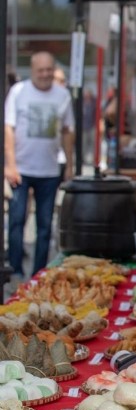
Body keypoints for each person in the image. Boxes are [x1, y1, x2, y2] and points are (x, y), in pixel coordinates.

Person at [4, 52, 75, 278]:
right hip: (22, 169)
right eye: (40, 70)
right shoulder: (19, 92)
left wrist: (70, 164)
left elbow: (67, 131)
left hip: (49, 169)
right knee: (16, 222)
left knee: (44, 226)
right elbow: (9, 129)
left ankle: (38, 274)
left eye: (48, 70)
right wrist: (10, 164)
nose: (45, 74)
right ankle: (14, 271)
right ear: (32, 70)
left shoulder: (62, 95)